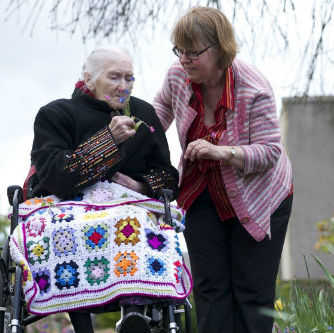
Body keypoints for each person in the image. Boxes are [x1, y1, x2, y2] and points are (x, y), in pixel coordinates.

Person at [19, 45, 189, 333]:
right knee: (67, 232)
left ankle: (134, 314)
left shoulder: (144, 114)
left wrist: (139, 185)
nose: (124, 86)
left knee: (132, 223)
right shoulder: (56, 113)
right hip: (66, 206)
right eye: (114, 77)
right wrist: (109, 139)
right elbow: (55, 176)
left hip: (129, 207)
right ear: (89, 78)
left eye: (129, 78)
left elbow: (168, 177)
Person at [153, 6, 294, 333]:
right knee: (210, 289)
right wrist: (137, 136)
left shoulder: (253, 87)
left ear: (220, 49)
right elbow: (160, 109)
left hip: (260, 197)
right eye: (180, 51)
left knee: (252, 290)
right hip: (202, 193)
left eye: (194, 52)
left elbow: (270, 151)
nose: (185, 59)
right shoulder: (178, 76)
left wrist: (223, 152)